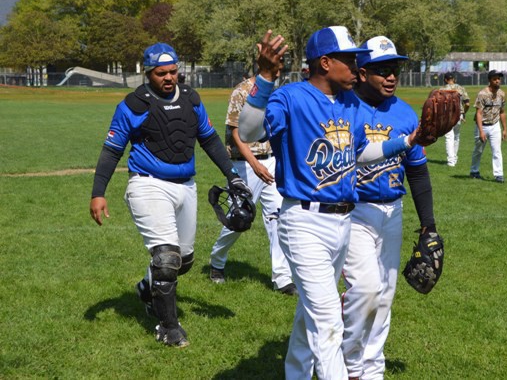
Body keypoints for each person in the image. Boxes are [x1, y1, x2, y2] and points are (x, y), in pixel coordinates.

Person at [238, 27, 424, 380]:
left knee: (310, 315)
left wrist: (406, 141)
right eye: (350, 61)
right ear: (325, 63)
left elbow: (358, 153)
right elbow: (247, 132)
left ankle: (296, 374)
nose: (357, 68)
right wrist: (264, 77)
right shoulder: (291, 97)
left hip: (343, 222)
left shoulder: (349, 102)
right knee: (328, 322)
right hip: (304, 221)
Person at [89, 42, 251, 348]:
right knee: (166, 259)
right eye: (161, 73)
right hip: (148, 185)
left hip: (185, 186)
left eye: (173, 71)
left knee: (183, 261)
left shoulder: (191, 99)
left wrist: (233, 176)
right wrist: (99, 192)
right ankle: (168, 327)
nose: (168, 78)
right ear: (148, 73)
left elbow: (210, 140)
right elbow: (112, 150)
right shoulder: (133, 105)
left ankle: (146, 287)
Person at [342, 36, 439, 379]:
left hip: (392, 212)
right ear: (362, 72)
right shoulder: (345, 107)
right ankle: (348, 363)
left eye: (394, 69)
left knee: (384, 295)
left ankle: (372, 368)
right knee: (365, 289)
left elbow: (418, 171)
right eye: (383, 70)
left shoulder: (404, 113)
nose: (391, 76)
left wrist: (428, 225)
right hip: (354, 212)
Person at [208, 68, 296, 295]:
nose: (279, 69)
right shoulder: (242, 91)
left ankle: (282, 278)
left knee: (278, 218)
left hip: (271, 162)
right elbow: (235, 133)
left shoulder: (277, 91)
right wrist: (255, 165)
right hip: (245, 164)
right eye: (275, 64)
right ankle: (217, 261)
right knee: (239, 218)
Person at [469, 70, 507, 183]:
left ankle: (499, 175)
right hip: (482, 125)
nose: (497, 81)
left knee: (497, 151)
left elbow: (502, 112)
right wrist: (481, 131)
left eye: (499, 79)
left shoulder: (502, 94)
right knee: (478, 150)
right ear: (490, 80)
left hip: (495, 125)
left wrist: (505, 129)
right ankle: (474, 171)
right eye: (495, 79)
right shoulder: (482, 94)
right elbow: (479, 113)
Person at [441, 72, 470, 167]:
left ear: (445, 80)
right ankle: (455, 157)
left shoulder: (442, 90)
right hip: (458, 114)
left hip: (447, 115)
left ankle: (451, 161)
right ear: (454, 79)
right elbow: (467, 104)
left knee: (449, 137)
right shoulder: (461, 88)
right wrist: (463, 113)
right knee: (456, 137)